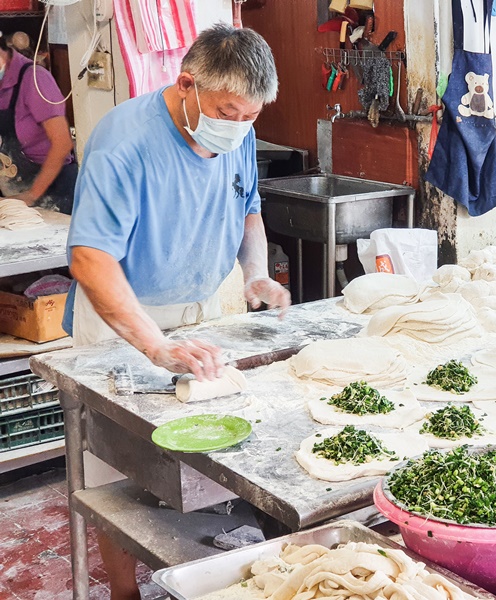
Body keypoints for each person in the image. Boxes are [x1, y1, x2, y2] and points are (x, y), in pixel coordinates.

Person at [64, 24, 290, 600]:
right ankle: (122, 590)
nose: (238, 127)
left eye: (251, 117)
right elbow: (91, 260)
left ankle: (220, 569)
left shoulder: (234, 132)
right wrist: (155, 347)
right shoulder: (125, 142)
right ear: (186, 84)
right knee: (114, 466)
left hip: (206, 304)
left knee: (226, 441)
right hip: (125, 312)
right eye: (228, 112)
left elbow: (249, 213)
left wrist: (257, 273)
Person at [0, 31, 76, 214]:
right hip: (13, 190)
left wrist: (31, 195)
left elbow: (62, 143)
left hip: (54, 191)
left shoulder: (34, 78)